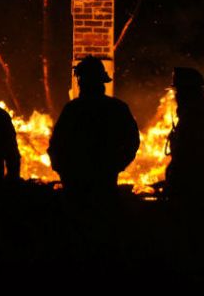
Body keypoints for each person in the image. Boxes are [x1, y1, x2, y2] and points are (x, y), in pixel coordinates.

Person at [47, 55, 140, 200]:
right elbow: (132, 142)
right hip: (104, 185)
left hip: (76, 188)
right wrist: (116, 165)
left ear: (81, 82)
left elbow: (56, 145)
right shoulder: (117, 108)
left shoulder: (72, 110)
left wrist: (64, 172)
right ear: (102, 82)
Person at [164, 67, 204, 204]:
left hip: (197, 196)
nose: (176, 97)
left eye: (179, 92)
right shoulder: (195, 114)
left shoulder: (199, 116)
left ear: (190, 93)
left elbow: (189, 160)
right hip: (196, 193)